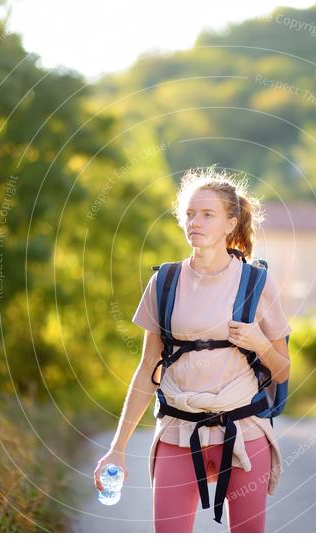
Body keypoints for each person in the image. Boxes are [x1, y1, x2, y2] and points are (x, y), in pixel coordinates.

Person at [93, 166, 292, 533]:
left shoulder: (256, 283)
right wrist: (117, 447)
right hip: (177, 430)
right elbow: (146, 371)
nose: (194, 222)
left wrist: (259, 342)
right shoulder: (164, 282)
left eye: (207, 214)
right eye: (189, 213)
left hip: (243, 432)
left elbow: (281, 371)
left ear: (231, 223)